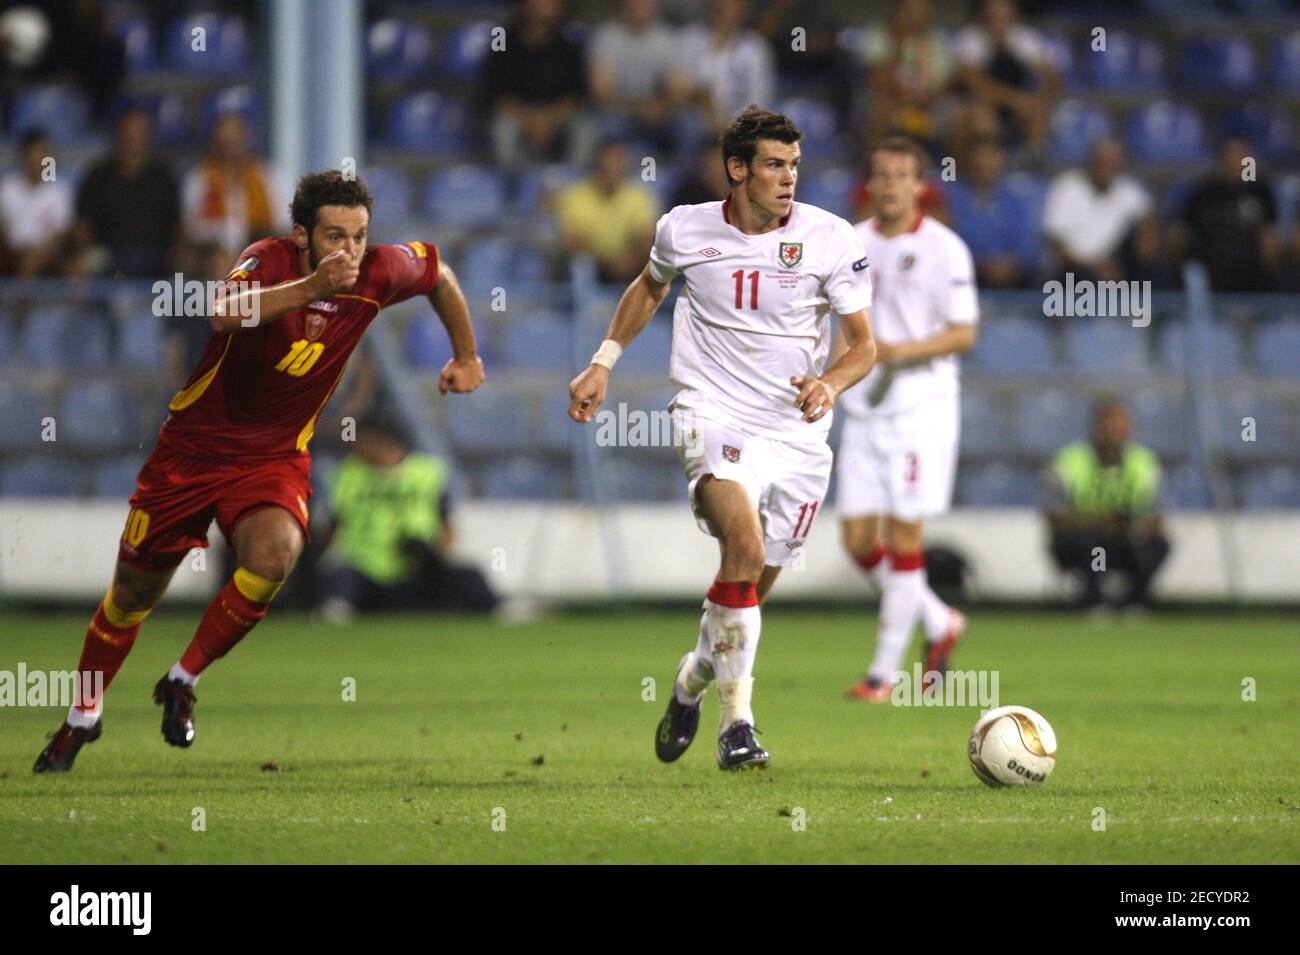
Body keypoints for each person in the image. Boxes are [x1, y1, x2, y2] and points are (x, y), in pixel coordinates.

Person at [33, 170, 486, 773]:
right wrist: (310, 287)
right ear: (301, 235)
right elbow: (223, 312)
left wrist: (466, 354)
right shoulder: (267, 260)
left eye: (357, 236)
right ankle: (81, 715)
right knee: (131, 597)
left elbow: (442, 275)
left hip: (272, 458)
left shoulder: (378, 269)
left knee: (275, 557)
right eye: (333, 235)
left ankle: (181, 678)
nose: (348, 250)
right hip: (190, 455)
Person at [568, 106, 876, 770]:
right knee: (744, 542)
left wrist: (830, 383)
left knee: (746, 588)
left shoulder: (830, 238)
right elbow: (648, 290)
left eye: (794, 165)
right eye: (773, 164)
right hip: (714, 414)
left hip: (798, 430)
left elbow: (864, 346)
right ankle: (738, 726)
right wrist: (603, 361)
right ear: (736, 169)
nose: (789, 178)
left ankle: (691, 680)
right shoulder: (683, 228)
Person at [838, 136, 979, 702]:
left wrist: (901, 351)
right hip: (865, 406)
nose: (890, 184)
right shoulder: (851, 243)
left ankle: (883, 675)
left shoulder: (946, 248)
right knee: (856, 540)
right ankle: (941, 620)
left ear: (920, 185)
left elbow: (964, 332)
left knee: (903, 535)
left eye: (901, 175)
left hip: (921, 407)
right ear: (869, 183)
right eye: (881, 173)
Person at [316, 414, 499, 619]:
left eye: (360, 439)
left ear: (381, 440)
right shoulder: (347, 473)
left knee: (469, 575)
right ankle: (337, 609)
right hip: (365, 569)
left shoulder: (426, 471)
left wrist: (434, 552)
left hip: (417, 567)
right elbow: (332, 527)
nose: (354, 445)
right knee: (340, 576)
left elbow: (447, 524)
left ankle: (499, 609)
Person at [1044, 398, 1170, 611]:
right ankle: (1095, 598)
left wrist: (1137, 527)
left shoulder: (1144, 462)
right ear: (1095, 427)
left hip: (1128, 542)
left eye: (1120, 424)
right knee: (1092, 544)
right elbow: (1054, 515)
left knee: (1157, 544)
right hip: (1086, 543)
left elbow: (1157, 515)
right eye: (1107, 423)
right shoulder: (1069, 461)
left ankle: (1135, 601)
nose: (1113, 430)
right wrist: (1095, 521)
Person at [481, 0, 593, 170]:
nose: (544, 11)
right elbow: (495, 93)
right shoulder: (503, 41)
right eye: (539, 5)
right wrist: (530, 120)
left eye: (550, 5)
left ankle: (571, 179)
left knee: (586, 130)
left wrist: (548, 120)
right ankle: (513, 181)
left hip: (557, 113)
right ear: (525, 7)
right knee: (502, 130)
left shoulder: (569, 46)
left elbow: (577, 96)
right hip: (516, 112)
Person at [72, 107, 180, 278]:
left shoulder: (162, 177)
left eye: (139, 134)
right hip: (108, 258)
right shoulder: (98, 176)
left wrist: (178, 252)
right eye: (129, 134)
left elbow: (176, 225)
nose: (134, 140)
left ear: (148, 138)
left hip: (155, 258)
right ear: (118, 136)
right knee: (82, 266)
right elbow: (83, 223)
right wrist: (85, 249)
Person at [1042, 138, 1161, 284]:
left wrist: (1147, 235)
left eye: (1113, 163)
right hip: (1076, 269)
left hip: (1117, 265)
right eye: (1102, 162)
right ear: (1091, 161)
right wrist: (1095, 266)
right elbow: (1057, 246)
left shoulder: (1128, 188)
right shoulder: (1066, 186)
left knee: (1152, 265)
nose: (1107, 168)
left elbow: (1148, 220)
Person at [1173, 136, 1282, 292]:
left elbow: (1270, 232)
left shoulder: (1260, 191)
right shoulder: (1203, 193)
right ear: (1221, 160)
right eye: (1230, 156)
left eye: (1240, 156)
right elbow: (1183, 233)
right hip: (1211, 269)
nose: (1235, 161)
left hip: (1252, 270)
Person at [952, 0, 1059, 151]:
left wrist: (1039, 99)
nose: (998, 24)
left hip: (1016, 105)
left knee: (1038, 112)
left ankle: (1031, 162)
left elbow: (1052, 80)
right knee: (982, 117)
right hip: (979, 103)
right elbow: (977, 85)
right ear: (983, 17)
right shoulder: (969, 39)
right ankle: (981, 166)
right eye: (993, 18)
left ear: (1013, 17)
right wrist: (1018, 101)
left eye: (1004, 18)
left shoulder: (1024, 38)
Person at [181, 112, 284, 258]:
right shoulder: (198, 179)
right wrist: (221, 233)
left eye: (235, 141)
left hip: (260, 251)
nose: (230, 149)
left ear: (246, 139)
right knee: (219, 258)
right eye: (225, 143)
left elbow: (282, 226)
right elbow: (191, 230)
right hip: (211, 253)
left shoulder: (269, 176)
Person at [556, 140, 659, 284]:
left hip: (632, 267)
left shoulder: (639, 196)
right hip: (593, 267)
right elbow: (572, 242)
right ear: (597, 166)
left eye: (619, 165)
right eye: (608, 166)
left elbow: (647, 239)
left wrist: (630, 261)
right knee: (579, 265)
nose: (613, 171)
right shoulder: (576, 195)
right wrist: (607, 263)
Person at [945, 133, 1039, 288]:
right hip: (971, 272)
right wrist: (983, 265)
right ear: (970, 163)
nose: (985, 165)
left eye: (991, 158)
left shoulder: (1014, 200)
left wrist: (1010, 264)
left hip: (1012, 274)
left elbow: (1026, 246)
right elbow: (952, 242)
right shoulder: (953, 198)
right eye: (980, 159)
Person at [0, 127, 72, 276]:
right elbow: (3, 228)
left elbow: (62, 231)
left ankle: (22, 296)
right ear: (23, 155)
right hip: (12, 254)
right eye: (32, 153)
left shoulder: (58, 189)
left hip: (47, 256)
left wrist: (41, 251)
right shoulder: (7, 187)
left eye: (41, 153)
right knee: (26, 261)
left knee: (33, 262)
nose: (36, 159)